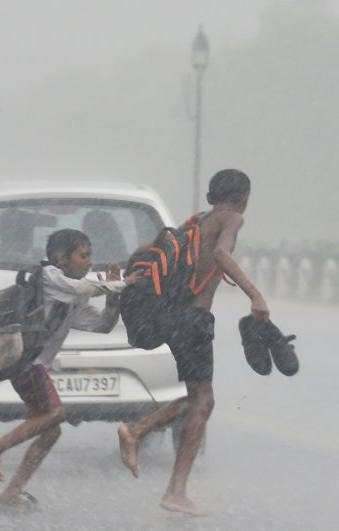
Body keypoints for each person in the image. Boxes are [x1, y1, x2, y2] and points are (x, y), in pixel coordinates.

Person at [116, 169, 270, 516]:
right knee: (202, 400)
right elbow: (221, 256)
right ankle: (171, 484)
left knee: (199, 398)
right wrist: (255, 295)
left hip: (173, 316)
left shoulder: (200, 220)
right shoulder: (231, 218)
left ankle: (141, 434)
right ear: (244, 197)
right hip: (193, 320)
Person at [0, 228, 142, 510]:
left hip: (33, 365)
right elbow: (79, 288)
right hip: (27, 361)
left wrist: (113, 296)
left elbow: (103, 325)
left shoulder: (70, 299)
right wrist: (122, 282)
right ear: (62, 259)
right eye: (83, 256)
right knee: (55, 414)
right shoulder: (49, 277)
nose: (88, 263)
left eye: (90, 256)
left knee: (51, 430)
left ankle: (11, 492)